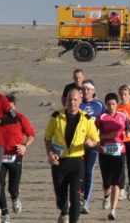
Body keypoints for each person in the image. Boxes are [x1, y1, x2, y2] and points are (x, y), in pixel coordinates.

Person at [45, 88, 99, 223]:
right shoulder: (56, 116)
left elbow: (96, 140)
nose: (72, 103)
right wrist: (50, 152)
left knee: (75, 197)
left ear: (80, 101)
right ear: (65, 101)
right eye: (69, 99)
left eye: (75, 100)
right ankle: (64, 211)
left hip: (77, 161)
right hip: (60, 162)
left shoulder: (86, 118)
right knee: (61, 199)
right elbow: (47, 138)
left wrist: (90, 143)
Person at [96, 93, 130, 221]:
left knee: (116, 180)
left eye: (113, 104)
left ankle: (113, 210)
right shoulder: (101, 118)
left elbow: (128, 127)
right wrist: (110, 135)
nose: (111, 107)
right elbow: (95, 137)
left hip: (119, 151)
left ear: (117, 104)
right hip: (104, 151)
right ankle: (106, 196)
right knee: (107, 181)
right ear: (106, 105)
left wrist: (128, 130)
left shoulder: (122, 115)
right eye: (109, 104)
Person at [0, 95, 34, 222]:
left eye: (11, 107)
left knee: (12, 188)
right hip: (0, 157)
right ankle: (4, 213)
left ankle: (15, 198)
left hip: (15, 156)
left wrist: (25, 146)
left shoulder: (20, 118)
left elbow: (31, 135)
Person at [78, 81, 106, 215]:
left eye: (88, 89)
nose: (86, 91)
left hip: (93, 144)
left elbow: (106, 120)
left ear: (93, 91)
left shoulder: (99, 105)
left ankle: (85, 202)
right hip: (78, 145)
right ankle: (77, 197)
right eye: (84, 89)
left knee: (88, 171)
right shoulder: (78, 103)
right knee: (79, 172)